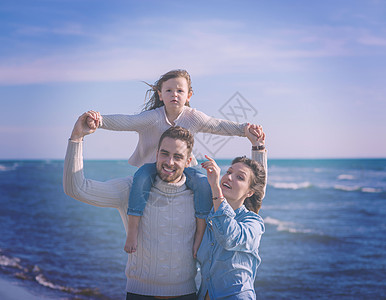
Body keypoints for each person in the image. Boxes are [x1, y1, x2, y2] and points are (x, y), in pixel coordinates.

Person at [86, 69, 262, 257]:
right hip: (152, 166)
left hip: (183, 168)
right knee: (140, 178)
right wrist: (100, 120)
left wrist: (245, 129)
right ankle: (132, 231)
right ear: (160, 95)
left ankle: (200, 234)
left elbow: (217, 125)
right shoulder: (152, 117)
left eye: (179, 91)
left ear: (188, 95)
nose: (174, 95)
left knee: (202, 183)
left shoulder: (193, 116)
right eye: (168, 91)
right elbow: (128, 121)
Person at [64, 112, 207, 299]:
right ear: (156, 154)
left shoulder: (200, 195)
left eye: (178, 157)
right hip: (139, 294)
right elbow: (76, 188)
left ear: (188, 161)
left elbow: (248, 195)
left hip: (186, 294)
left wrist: (258, 147)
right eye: (164, 154)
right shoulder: (130, 189)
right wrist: (77, 137)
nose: (169, 162)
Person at [197, 125, 267, 299]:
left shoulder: (253, 223)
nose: (229, 177)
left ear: (249, 192)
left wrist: (215, 188)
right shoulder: (209, 215)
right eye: (228, 172)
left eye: (239, 177)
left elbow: (230, 237)